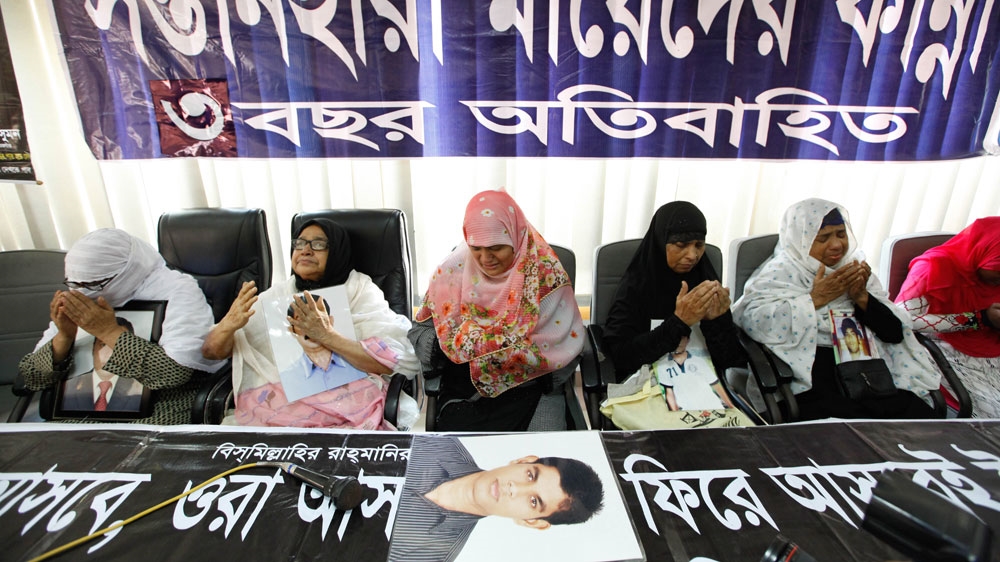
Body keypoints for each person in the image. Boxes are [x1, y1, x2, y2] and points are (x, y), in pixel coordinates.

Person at [732, 198, 940, 421]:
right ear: (800, 240)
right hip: (813, 379)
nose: (836, 245)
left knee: (917, 417)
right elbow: (752, 321)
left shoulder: (854, 268)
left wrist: (862, 298)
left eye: (841, 234)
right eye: (823, 238)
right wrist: (814, 299)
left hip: (869, 375)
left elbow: (894, 332)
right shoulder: (780, 273)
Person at [202, 218, 419, 428]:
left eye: (318, 244)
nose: (305, 250)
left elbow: (390, 361)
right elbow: (211, 352)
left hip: (351, 410)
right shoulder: (279, 295)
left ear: (336, 252)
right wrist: (227, 325)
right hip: (281, 412)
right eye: (299, 244)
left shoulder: (359, 290)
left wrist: (327, 336)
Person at [408, 189, 585, 432]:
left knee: (538, 460)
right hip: (466, 391)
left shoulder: (545, 274)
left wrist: (514, 357)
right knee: (460, 463)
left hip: (532, 389)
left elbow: (568, 346)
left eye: (496, 247)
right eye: (476, 247)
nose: (485, 258)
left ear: (516, 237)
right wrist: (454, 346)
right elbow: (419, 333)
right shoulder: (451, 273)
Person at [19, 228, 226, 424]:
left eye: (93, 285)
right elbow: (30, 378)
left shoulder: (176, 290)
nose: (84, 293)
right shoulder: (79, 296)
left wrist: (108, 332)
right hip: (77, 416)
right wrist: (63, 337)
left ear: (127, 271)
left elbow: (173, 373)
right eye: (74, 284)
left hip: (157, 411)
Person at [600, 201, 748, 426]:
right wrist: (679, 322)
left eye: (699, 245)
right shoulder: (637, 285)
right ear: (661, 242)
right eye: (681, 245)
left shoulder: (705, 279)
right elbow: (622, 357)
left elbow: (731, 360)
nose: (693, 255)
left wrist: (717, 321)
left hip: (706, 390)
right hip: (648, 391)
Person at [388, 436, 604, 562]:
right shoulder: (437, 444)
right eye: (530, 475)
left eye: (534, 501)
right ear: (523, 460)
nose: (514, 488)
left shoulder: (433, 553)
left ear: (532, 522)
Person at [895, 217, 1000, 417]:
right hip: (946, 353)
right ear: (983, 251)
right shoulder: (933, 268)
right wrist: (979, 319)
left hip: (991, 353)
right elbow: (901, 319)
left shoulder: (993, 279)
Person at [279, 299, 366, 402]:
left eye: (317, 318)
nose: (311, 327)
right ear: (291, 330)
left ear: (331, 321)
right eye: (301, 319)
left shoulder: (360, 362)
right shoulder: (287, 379)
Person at [60, 317, 144, 413]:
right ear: (93, 349)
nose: (108, 353)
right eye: (103, 345)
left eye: (117, 346)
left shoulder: (140, 389)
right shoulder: (69, 388)